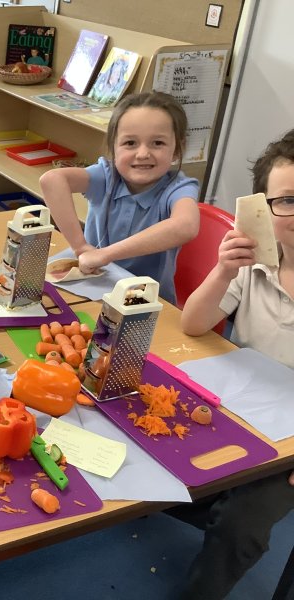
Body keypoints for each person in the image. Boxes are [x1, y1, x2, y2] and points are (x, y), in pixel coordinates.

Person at [175, 130, 294, 599]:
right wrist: (224, 270)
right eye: (288, 201)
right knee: (154, 443)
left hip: (289, 443)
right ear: (264, 210)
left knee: (240, 525)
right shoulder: (254, 263)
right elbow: (192, 324)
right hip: (238, 407)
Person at [39, 91, 200, 303]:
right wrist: (80, 247)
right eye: (130, 143)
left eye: (158, 143)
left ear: (177, 150)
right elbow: (51, 180)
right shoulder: (106, 176)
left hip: (144, 303)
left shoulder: (178, 188)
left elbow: (186, 226)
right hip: (88, 288)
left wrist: (105, 254)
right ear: (114, 147)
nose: (143, 154)